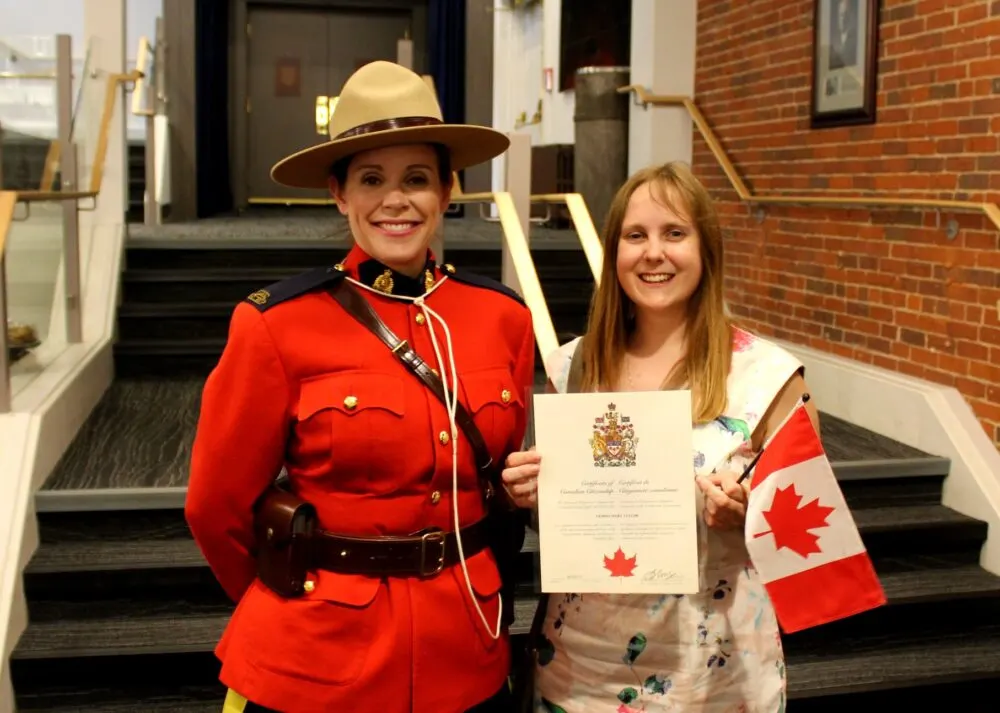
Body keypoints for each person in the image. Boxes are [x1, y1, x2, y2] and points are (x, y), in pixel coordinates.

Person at [185, 60, 536, 713]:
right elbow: (215, 506)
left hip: (466, 645)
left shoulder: (503, 319)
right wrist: (286, 594)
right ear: (339, 193)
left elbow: (497, 484)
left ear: (448, 189)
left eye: (417, 179)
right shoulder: (276, 325)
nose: (395, 199)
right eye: (371, 179)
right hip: (319, 654)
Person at [501, 161, 822, 712]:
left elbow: (813, 534)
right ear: (615, 251)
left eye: (675, 233)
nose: (654, 253)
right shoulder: (570, 367)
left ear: (706, 250)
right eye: (636, 235)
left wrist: (750, 514)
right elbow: (561, 521)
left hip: (713, 670)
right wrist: (528, 498)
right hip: (580, 666)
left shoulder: (768, 378)